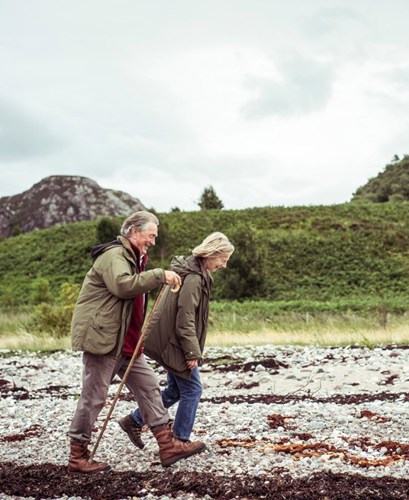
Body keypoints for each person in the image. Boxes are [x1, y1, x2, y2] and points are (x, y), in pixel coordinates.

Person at [67, 211, 205, 473]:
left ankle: (168, 445)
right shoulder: (114, 256)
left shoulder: (135, 257)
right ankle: (77, 455)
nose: (152, 241)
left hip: (129, 343)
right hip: (104, 341)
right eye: (150, 235)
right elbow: (122, 286)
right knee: (93, 398)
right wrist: (158, 276)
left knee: (150, 389)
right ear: (133, 232)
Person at [118, 231, 234, 451]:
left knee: (175, 390)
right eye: (223, 260)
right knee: (193, 389)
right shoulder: (194, 278)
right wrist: (192, 353)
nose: (224, 265)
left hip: (170, 341)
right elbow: (185, 319)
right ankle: (180, 440)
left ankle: (134, 421)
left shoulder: (194, 272)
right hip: (175, 343)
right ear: (213, 253)